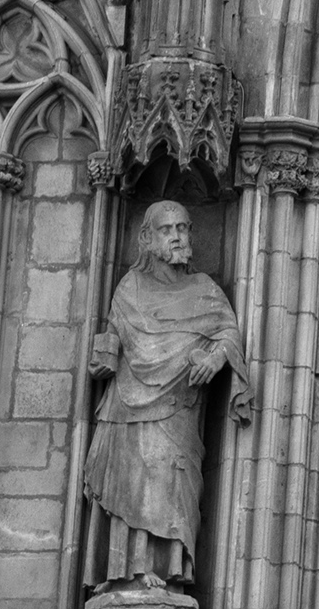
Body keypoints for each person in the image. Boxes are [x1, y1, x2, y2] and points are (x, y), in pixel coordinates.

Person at [83, 201, 251, 587]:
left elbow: (228, 334)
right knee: (132, 478)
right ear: (147, 238)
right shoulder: (130, 288)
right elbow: (114, 340)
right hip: (127, 405)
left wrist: (216, 356)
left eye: (183, 227)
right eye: (166, 230)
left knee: (171, 480)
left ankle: (169, 570)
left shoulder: (204, 289)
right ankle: (129, 571)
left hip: (179, 408)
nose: (176, 236)